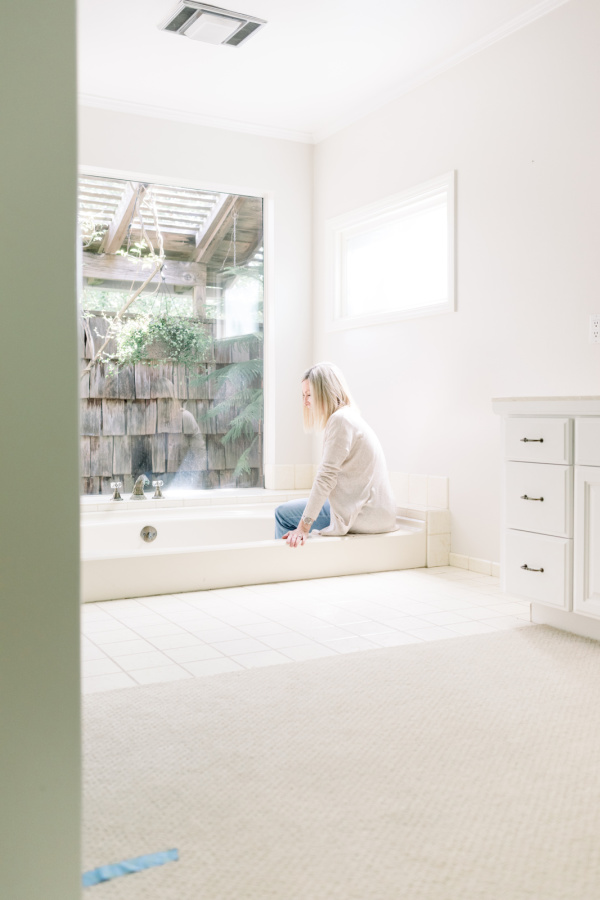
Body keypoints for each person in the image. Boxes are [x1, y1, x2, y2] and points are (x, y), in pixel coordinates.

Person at [275, 362, 397, 547]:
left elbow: (325, 478)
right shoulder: (348, 417)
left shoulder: (340, 420)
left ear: (324, 392)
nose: (305, 401)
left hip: (366, 513)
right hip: (374, 510)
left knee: (282, 513)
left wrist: (303, 528)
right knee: (290, 510)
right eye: (303, 395)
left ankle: (285, 566)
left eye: (310, 394)